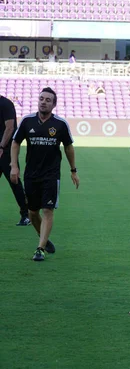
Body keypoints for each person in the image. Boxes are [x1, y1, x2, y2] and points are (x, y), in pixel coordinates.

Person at [10, 88, 80, 261]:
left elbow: (69, 147)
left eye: (48, 100)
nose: (44, 102)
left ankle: (40, 248)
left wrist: (73, 170)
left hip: (51, 174)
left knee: (47, 210)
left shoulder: (60, 124)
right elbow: (15, 143)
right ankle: (45, 238)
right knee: (33, 213)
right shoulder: (27, 121)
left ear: (54, 104)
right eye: (41, 98)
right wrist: (14, 166)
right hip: (31, 174)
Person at [0, 95, 29, 225]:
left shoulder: (6, 104)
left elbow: (10, 127)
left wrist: (1, 147)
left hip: (6, 152)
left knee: (15, 182)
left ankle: (26, 215)